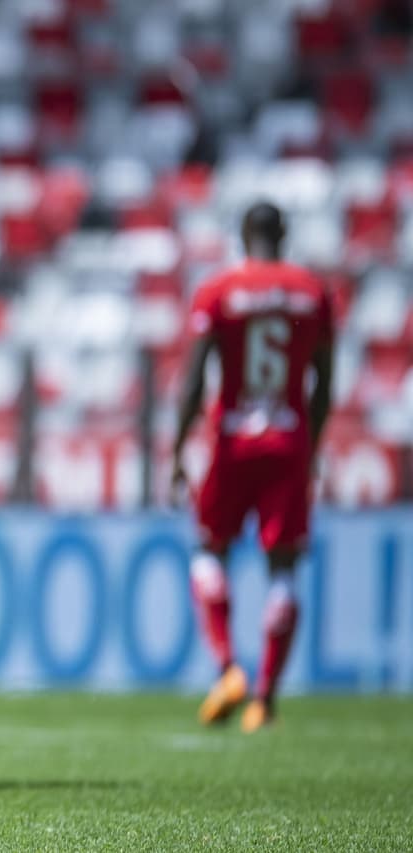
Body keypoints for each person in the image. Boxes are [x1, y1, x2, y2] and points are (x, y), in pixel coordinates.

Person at [171, 201, 333, 733]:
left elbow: (194, 380)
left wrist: (176, 449)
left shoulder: (219, 292)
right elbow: (323, 384)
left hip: (231, 439)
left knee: (208, 550)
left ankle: (226, 668)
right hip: (288, 436)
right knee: (283, 566)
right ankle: (264, 697)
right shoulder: (312, 293)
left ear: (243, 236)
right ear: (283, 235)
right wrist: (310, 448)